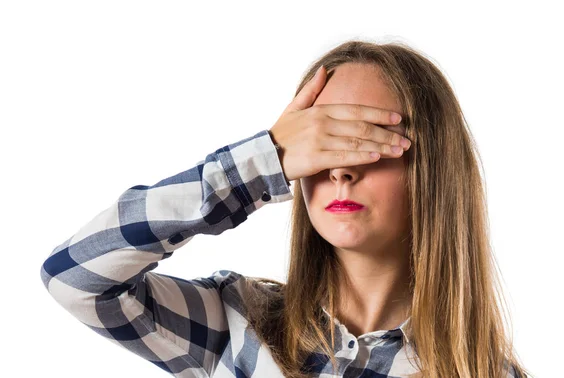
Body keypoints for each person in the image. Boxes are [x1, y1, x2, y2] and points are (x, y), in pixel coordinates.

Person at [40, 40, 529, 378]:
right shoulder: (235, 325)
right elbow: (74, 276)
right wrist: (260, 161)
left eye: (367, 141)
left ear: (433, 169)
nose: (341, 169)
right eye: (321, 143)